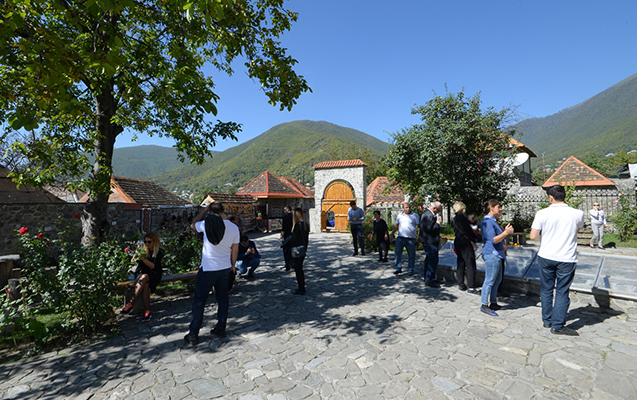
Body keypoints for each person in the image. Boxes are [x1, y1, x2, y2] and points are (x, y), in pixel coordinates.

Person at [530, 185, 584, 336]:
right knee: (562, 291)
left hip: (546, 255)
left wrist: (546, 234)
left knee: (546, 289)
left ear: (551, 197)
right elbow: (577, 230)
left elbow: (533, 236)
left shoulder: (542, 213)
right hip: (566, 257)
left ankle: (547, 320)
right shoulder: (578, 213)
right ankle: (558, 325)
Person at [184, 202, 240, 345]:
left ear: (211, 211)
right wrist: (233, 265)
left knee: (199, 301)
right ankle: (221, 327)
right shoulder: (234, 227)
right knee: (223, 299)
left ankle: (193, 333)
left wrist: (204, 211)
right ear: (223, 210)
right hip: (224, 267)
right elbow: (235, 250)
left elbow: (193, 225)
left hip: (209, 267)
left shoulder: (206, 224)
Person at [480, 199, 514, 317]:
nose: (500, 209)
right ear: (491, 208)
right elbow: (493, 239)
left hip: (497, 254)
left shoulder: (492, 221)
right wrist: (506, 232)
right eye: (498, 207)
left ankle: (493, 302)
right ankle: (484, 304)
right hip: (492, 254)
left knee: (496, 280)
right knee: (489, 280)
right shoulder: (488, 222)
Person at [121, 232, 165, 322]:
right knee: (145, 285)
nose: (147, 244)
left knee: (144, 278)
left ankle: (130, 304)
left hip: (154, 273)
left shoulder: (159, 251)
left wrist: (143, 258)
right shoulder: (143, 249)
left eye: (149, 242)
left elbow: (153, 266)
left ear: (154, 241)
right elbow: (132, 261)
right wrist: (136, 254)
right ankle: (147, 311)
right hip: (142, 273)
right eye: (145, 242)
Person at [451, 202, 479, 294]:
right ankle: (471, 286)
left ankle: (461, 283)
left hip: (458, 241)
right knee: (470, 263)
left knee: (461, 262)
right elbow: (468, 231)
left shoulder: (454, 219)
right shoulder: (463, 218)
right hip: (466, 242)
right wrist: (474, 238)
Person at [286, 207, 310, 295]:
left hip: (296, 249)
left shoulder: (297, 226)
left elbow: (294, 240)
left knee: (298, 269)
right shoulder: (305, 225)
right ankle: (302, 286)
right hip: (303, 249)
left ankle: (301, 288)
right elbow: (306, 239)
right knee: (300, 269)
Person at [392, 202, 420, 275]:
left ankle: (411, 269)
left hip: (411, 238)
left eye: (409, 207)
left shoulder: (415, 216)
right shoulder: (400, 216)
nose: (408, 209)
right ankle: (398, 268)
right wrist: (392, 234)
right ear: (403, 208)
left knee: (411, 255)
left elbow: (419, 226)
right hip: (400, 237)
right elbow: (396, 225)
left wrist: (419, 237)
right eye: (406, 207)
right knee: (397, 253)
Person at [420, 201, 443, 287]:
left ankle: (428, 278)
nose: (437, 212)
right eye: (438, 210)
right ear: (434, 208)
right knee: (432, 260)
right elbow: (430, 228)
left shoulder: (425, 213)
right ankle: (430, 280)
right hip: (430, 241)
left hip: (427, 240)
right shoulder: (429, 215)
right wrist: (438, 223)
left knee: (429, 260)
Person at [281, 206, 293, 271]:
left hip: (287, 235)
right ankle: (292, 263)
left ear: (288, 210)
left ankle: (287, 264)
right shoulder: (293, 216)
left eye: (285, 210)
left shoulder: (285, 217)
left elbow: (284, 228)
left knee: (286, 251)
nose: (284, 211)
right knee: (292, 250)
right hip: (293, 235)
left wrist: (281, 236)